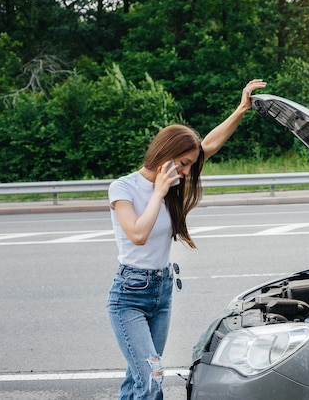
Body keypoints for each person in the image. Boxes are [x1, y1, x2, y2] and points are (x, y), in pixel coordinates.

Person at [106, 79, 266, 399]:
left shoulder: (175, 180)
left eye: (189, 166)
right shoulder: (122, 188)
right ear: (165, 153)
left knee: (137, 376)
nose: (185, 171)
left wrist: (241, 109)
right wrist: (159, 192)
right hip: (129, 295)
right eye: (182, 163)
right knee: (151, 376)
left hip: (161, 290)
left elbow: (208, 145)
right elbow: (137, 234)